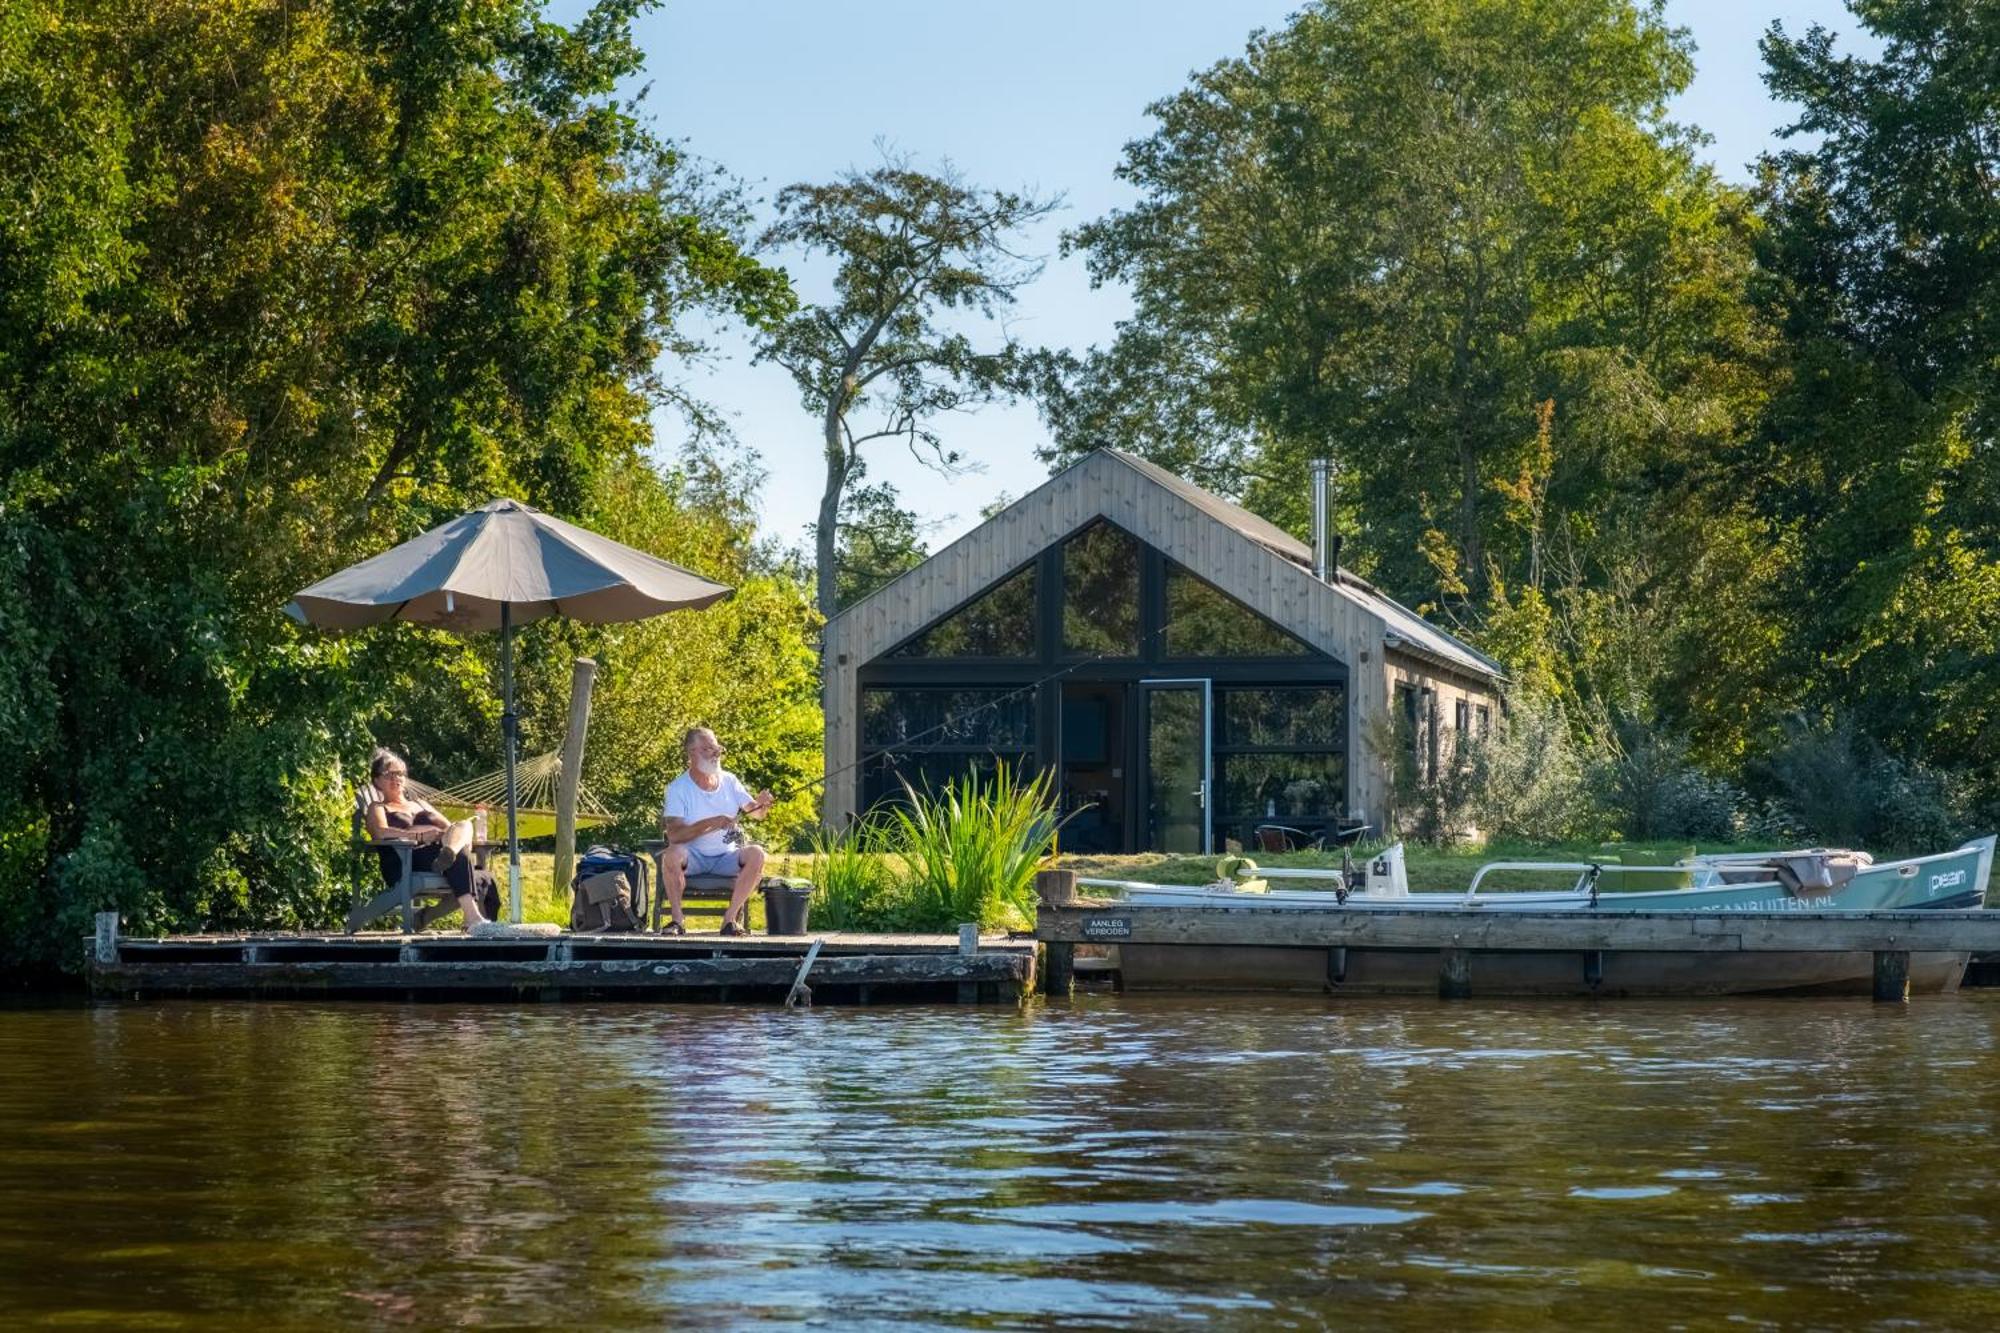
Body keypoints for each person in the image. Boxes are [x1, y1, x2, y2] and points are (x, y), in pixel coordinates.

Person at [659, 726, 773, 936]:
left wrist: (762, 804)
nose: (716, 753)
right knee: (672, 853)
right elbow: (675, 835)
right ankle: (677, 921)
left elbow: (755, 813)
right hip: (693, 857)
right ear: (692, 753)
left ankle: (729, 921)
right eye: (708, 748)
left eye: (716, 747)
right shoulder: (678, 788)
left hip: (727, 856)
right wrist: (712, 822)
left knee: (757, 853)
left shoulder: (729, 780)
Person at [364, 747, 490, 928]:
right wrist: (420, 835)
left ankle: (449, 853)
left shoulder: (420, 804)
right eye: (389, 774)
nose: (396, 778)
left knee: (464, 825)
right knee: (468, 864)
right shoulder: (377, 807)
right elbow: (380, 832)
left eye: (400, 774)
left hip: (435, 855)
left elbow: (450, 828)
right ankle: (471, 916)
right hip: (405, 859)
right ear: (377, 781)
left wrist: (448, 837)